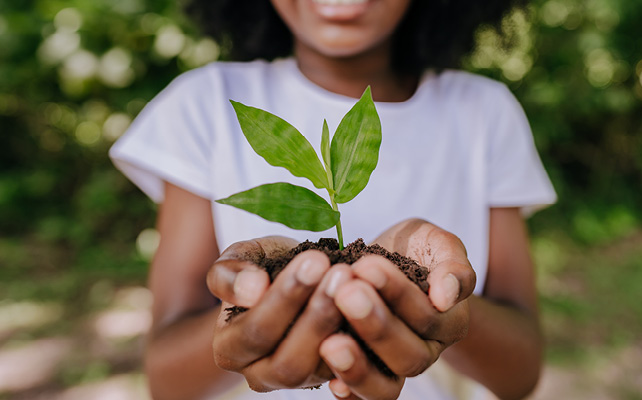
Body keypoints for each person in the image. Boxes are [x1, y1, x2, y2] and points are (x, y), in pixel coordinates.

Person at [109, 1, 557, 399]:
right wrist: (257, 317)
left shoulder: (483, 112)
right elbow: (165, 381)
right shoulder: (203, 105)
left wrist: (436, 304)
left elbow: (520, 374)